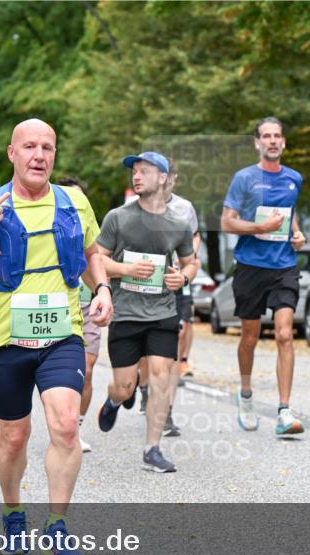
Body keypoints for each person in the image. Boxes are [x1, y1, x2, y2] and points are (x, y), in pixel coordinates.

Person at [0, 118, 112, 555]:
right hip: (6, 342)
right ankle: (12, 509)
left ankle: (57, 524)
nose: (40, 155)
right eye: (30, 147)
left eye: (48, 147)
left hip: (62, 336)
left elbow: (94, 253)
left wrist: (102, 288)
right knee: (14, 437)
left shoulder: (73, 201)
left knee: (65, 425)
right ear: (12, 153)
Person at [95, 151, 198, 473]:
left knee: (161, 376)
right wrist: (125, 270)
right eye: (134, 172)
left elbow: (191, 262)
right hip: (126, 312)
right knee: (125, 386)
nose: (136, 177)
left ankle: (152, 448)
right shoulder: (118, 217)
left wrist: (183, 277)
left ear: (163, 178)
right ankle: (113, 401)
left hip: (163, 312)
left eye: (144, 171)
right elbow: (98, 259)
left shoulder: (178, 224)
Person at [221, 116, 307, 435]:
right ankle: (245, 396)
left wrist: (297, 234)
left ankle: (284, 411)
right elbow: (228, 222)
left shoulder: (293, 179)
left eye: (277, 136)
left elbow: (290, 212)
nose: (272, 141)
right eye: (266, 136)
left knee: (285, 334)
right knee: (250, 337)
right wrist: (259, 228)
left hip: (284, 266)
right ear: (257, 143)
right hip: (251, 266)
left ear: (284, 142)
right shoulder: (244, 179)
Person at [56, 176, 101, 453]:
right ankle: (63, 423)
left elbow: (99, 259)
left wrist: (103, 290)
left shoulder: (90, 228)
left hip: (87, 306)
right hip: (58, 308)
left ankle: (77, 426)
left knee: (87, 369)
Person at [163, 160, 202, 436]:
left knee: (172, 344)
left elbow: (195, 236)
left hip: (175, 283)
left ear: (174, 178)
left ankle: (165, 413)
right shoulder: (131, 210)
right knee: (144, 356)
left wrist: (188, 258)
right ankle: (135, 390)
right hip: (143, 289)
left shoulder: (184, 207)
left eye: (169, 176)